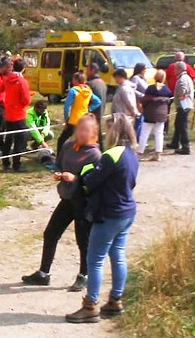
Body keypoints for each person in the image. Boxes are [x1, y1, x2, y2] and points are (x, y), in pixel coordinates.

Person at [60, 112, 140, 323]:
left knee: (94, 260)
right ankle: (115, 300)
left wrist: (84, 173)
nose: (105, 133)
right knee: (118, 254)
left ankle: (90, 306)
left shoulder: (111, 155)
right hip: (126, 211)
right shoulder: (132, 153)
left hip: (109, 213)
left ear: (115, 130)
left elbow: (90, 183)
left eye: (107, 128)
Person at [22, 113, 101, 292]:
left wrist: (76, 178)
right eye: (80, 129)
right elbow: (59, 164)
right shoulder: (67, 146)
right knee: (50, 233)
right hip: (67, 199)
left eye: (86, 130)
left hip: (84, 202)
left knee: (83, 241)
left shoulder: (95, 155)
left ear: (93, 132)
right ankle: (43, 273)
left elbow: (96, 181)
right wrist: (58, 172)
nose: (82, 133)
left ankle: (84, 276)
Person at [0, 58, 33, 172]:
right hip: (19, 114)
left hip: (8, 113)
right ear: (23, 69)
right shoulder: (22, 81)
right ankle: (17, 164)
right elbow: (26, 99)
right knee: (19, 140)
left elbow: (0, 89)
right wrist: (24, 102)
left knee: (8, 139)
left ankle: (5, 163)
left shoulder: (6, 79)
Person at [59, 72, 102, 153]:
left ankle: (58, 160)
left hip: (73, 120)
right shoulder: (88, 90)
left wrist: (66, 120)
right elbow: (98, 101)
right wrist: (88, 109)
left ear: (75, 80)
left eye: (73, 79)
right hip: (84, 119)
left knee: (61, 140)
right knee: (82, 139)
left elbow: (66, 107)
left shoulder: (73, 90)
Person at [137, 70, 172, 161]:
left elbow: (144, 100)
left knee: (144, 133)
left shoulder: (150, 88)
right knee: (159, 134)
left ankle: (140, 153)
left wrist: (143, 109)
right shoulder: (167, 90)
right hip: (162, 114)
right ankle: (158, 154)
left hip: (150, 113)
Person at [168, 62, 194, 155]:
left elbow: (182, 90)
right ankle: (175, 142)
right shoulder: (186, 77)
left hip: (183, 105)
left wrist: (180, 96)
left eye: (175, 68)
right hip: (185, 105)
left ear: (179, 69)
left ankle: (185, 147)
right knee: (178, 124)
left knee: (183, 126)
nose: (174, 70)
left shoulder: (182, 79)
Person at [109, 70, 140, 139]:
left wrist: (134, 113)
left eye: (116, 78)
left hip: (125, 117)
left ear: (121, 77)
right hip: (121, 116)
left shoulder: (124, 89)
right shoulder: (121, 87)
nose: (115, 80)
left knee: (124, 137)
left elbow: (129, 102)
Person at [86, 64, 108, 146]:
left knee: (92, 134)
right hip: (100, 111)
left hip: (91, 112)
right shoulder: (103, 83)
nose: (86, 72)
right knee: (98, 133)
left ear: (93, 71)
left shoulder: (90, 84)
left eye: (87, 70)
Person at [130, 63, 149, 139]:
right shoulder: (135, 78)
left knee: (142, 120)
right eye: (144, 69)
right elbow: (132, 89)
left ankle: (139, 137)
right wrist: (142, 95)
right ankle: (136, 138)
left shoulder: (143, 78)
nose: (145, 71)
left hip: (144, 101)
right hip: (138, 101)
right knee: (139, 120)